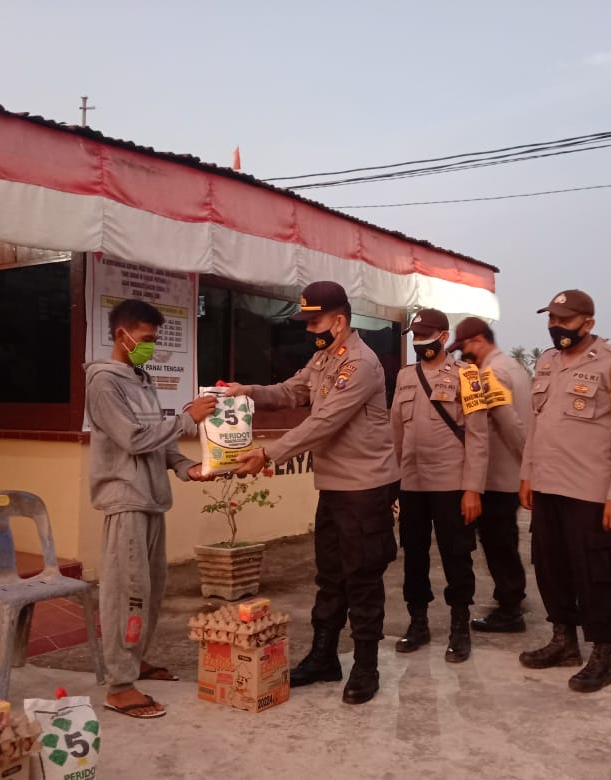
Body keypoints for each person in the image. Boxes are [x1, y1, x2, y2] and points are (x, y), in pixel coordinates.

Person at [229, 281, 400, 705]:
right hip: (334, 486)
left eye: (315, 321)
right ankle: (325, 656)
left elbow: (323, 422)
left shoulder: (359, 363)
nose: (309, 329)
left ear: (339, 321)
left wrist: (268, 454)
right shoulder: (324, 359)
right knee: (330, 575)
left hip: (365, 487)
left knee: (362, 578)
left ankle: (365, 665)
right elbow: (291, 391)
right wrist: (246, 392)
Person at [85, 299, 216, 719]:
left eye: (155, 340)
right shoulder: (104, 383)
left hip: (153, 499)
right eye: (146, 339)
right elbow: (135, 439)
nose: (152, 347)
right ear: (121, 335)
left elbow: (159, 441)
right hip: (125, 500)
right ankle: (119, 686)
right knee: (127, 594)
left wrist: (184, 466)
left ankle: (134, 660)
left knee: (151, 590)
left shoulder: (141, 378)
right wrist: (187, 418)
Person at [518, 289, 611, 692]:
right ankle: (563, 642)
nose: (556, 327)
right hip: (548, 486)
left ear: (587, 323)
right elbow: (535, 425)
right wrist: (527, 475)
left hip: (591, 491)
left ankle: (602, 657)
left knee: (595, 574)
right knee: (551, 568)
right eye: (552, 320)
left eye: (565, 320)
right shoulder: (547, 361)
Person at [391, 308, 489, 662]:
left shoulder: (468, 376)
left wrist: (473, 488)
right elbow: (395, 433)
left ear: (444, 337)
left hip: (452, 485)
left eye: (426, 336)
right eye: (415, 337)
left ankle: (459, 626)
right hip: (412, 484)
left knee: (456, 557)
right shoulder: (405, 377)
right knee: (413, 556)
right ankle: (418, 622)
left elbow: (478, 436)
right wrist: (393, 483)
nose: (420, 343)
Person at [446, 316, 532, 633]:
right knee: (504, 540)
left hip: (498, 476)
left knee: (499, 543)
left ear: (479, 340)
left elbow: (507, 422)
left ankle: (510, 609)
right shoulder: (514, 366)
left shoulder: (492, 373)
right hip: (509, 474)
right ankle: (512, 597)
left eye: (464, 347)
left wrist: (528, 463)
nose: (461, 355)